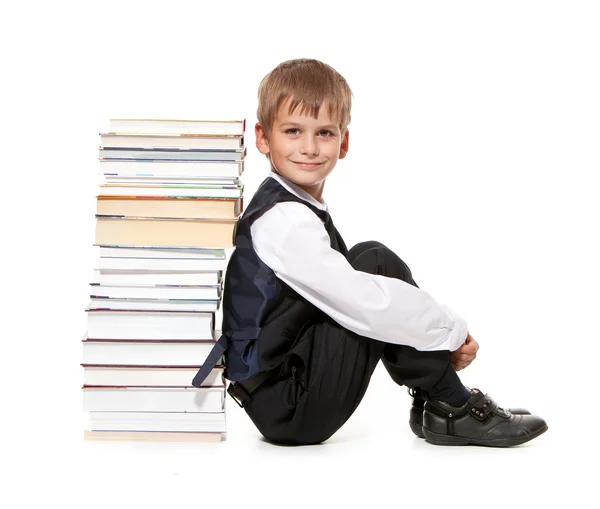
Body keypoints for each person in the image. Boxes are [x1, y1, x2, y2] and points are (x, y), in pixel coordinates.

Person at [192, 58, 548, 447]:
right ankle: (451, 405)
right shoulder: (285, 222)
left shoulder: (288, 207)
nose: (309, 148)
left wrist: (434, 336)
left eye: (324, 133)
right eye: (292, 131)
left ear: (343, 143)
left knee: (368, 256)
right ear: (263, 138)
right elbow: (365, 303)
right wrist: (449, 332)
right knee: (375, 265)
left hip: (280, 392)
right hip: (290, 407)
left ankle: (442, 400)